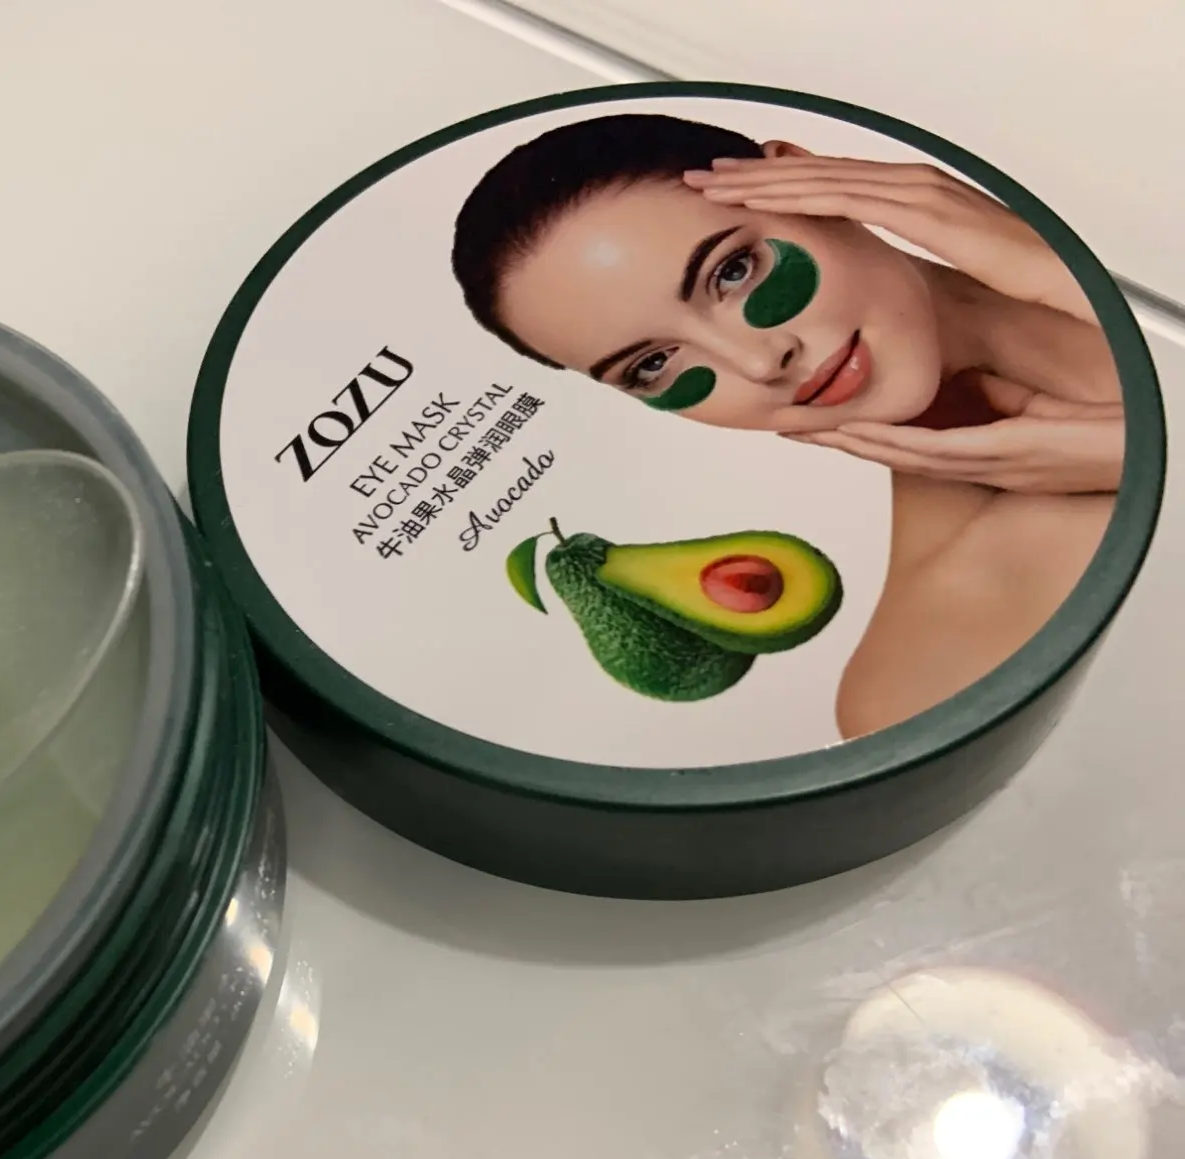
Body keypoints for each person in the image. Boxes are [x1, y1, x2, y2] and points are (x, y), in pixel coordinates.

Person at [451, 114, 1123, 738]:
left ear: (805, 181)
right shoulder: (918, 683)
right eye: (652, 365)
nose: (759, 361)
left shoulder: (1108, 153)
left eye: (733, 272)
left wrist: (1063, 271)